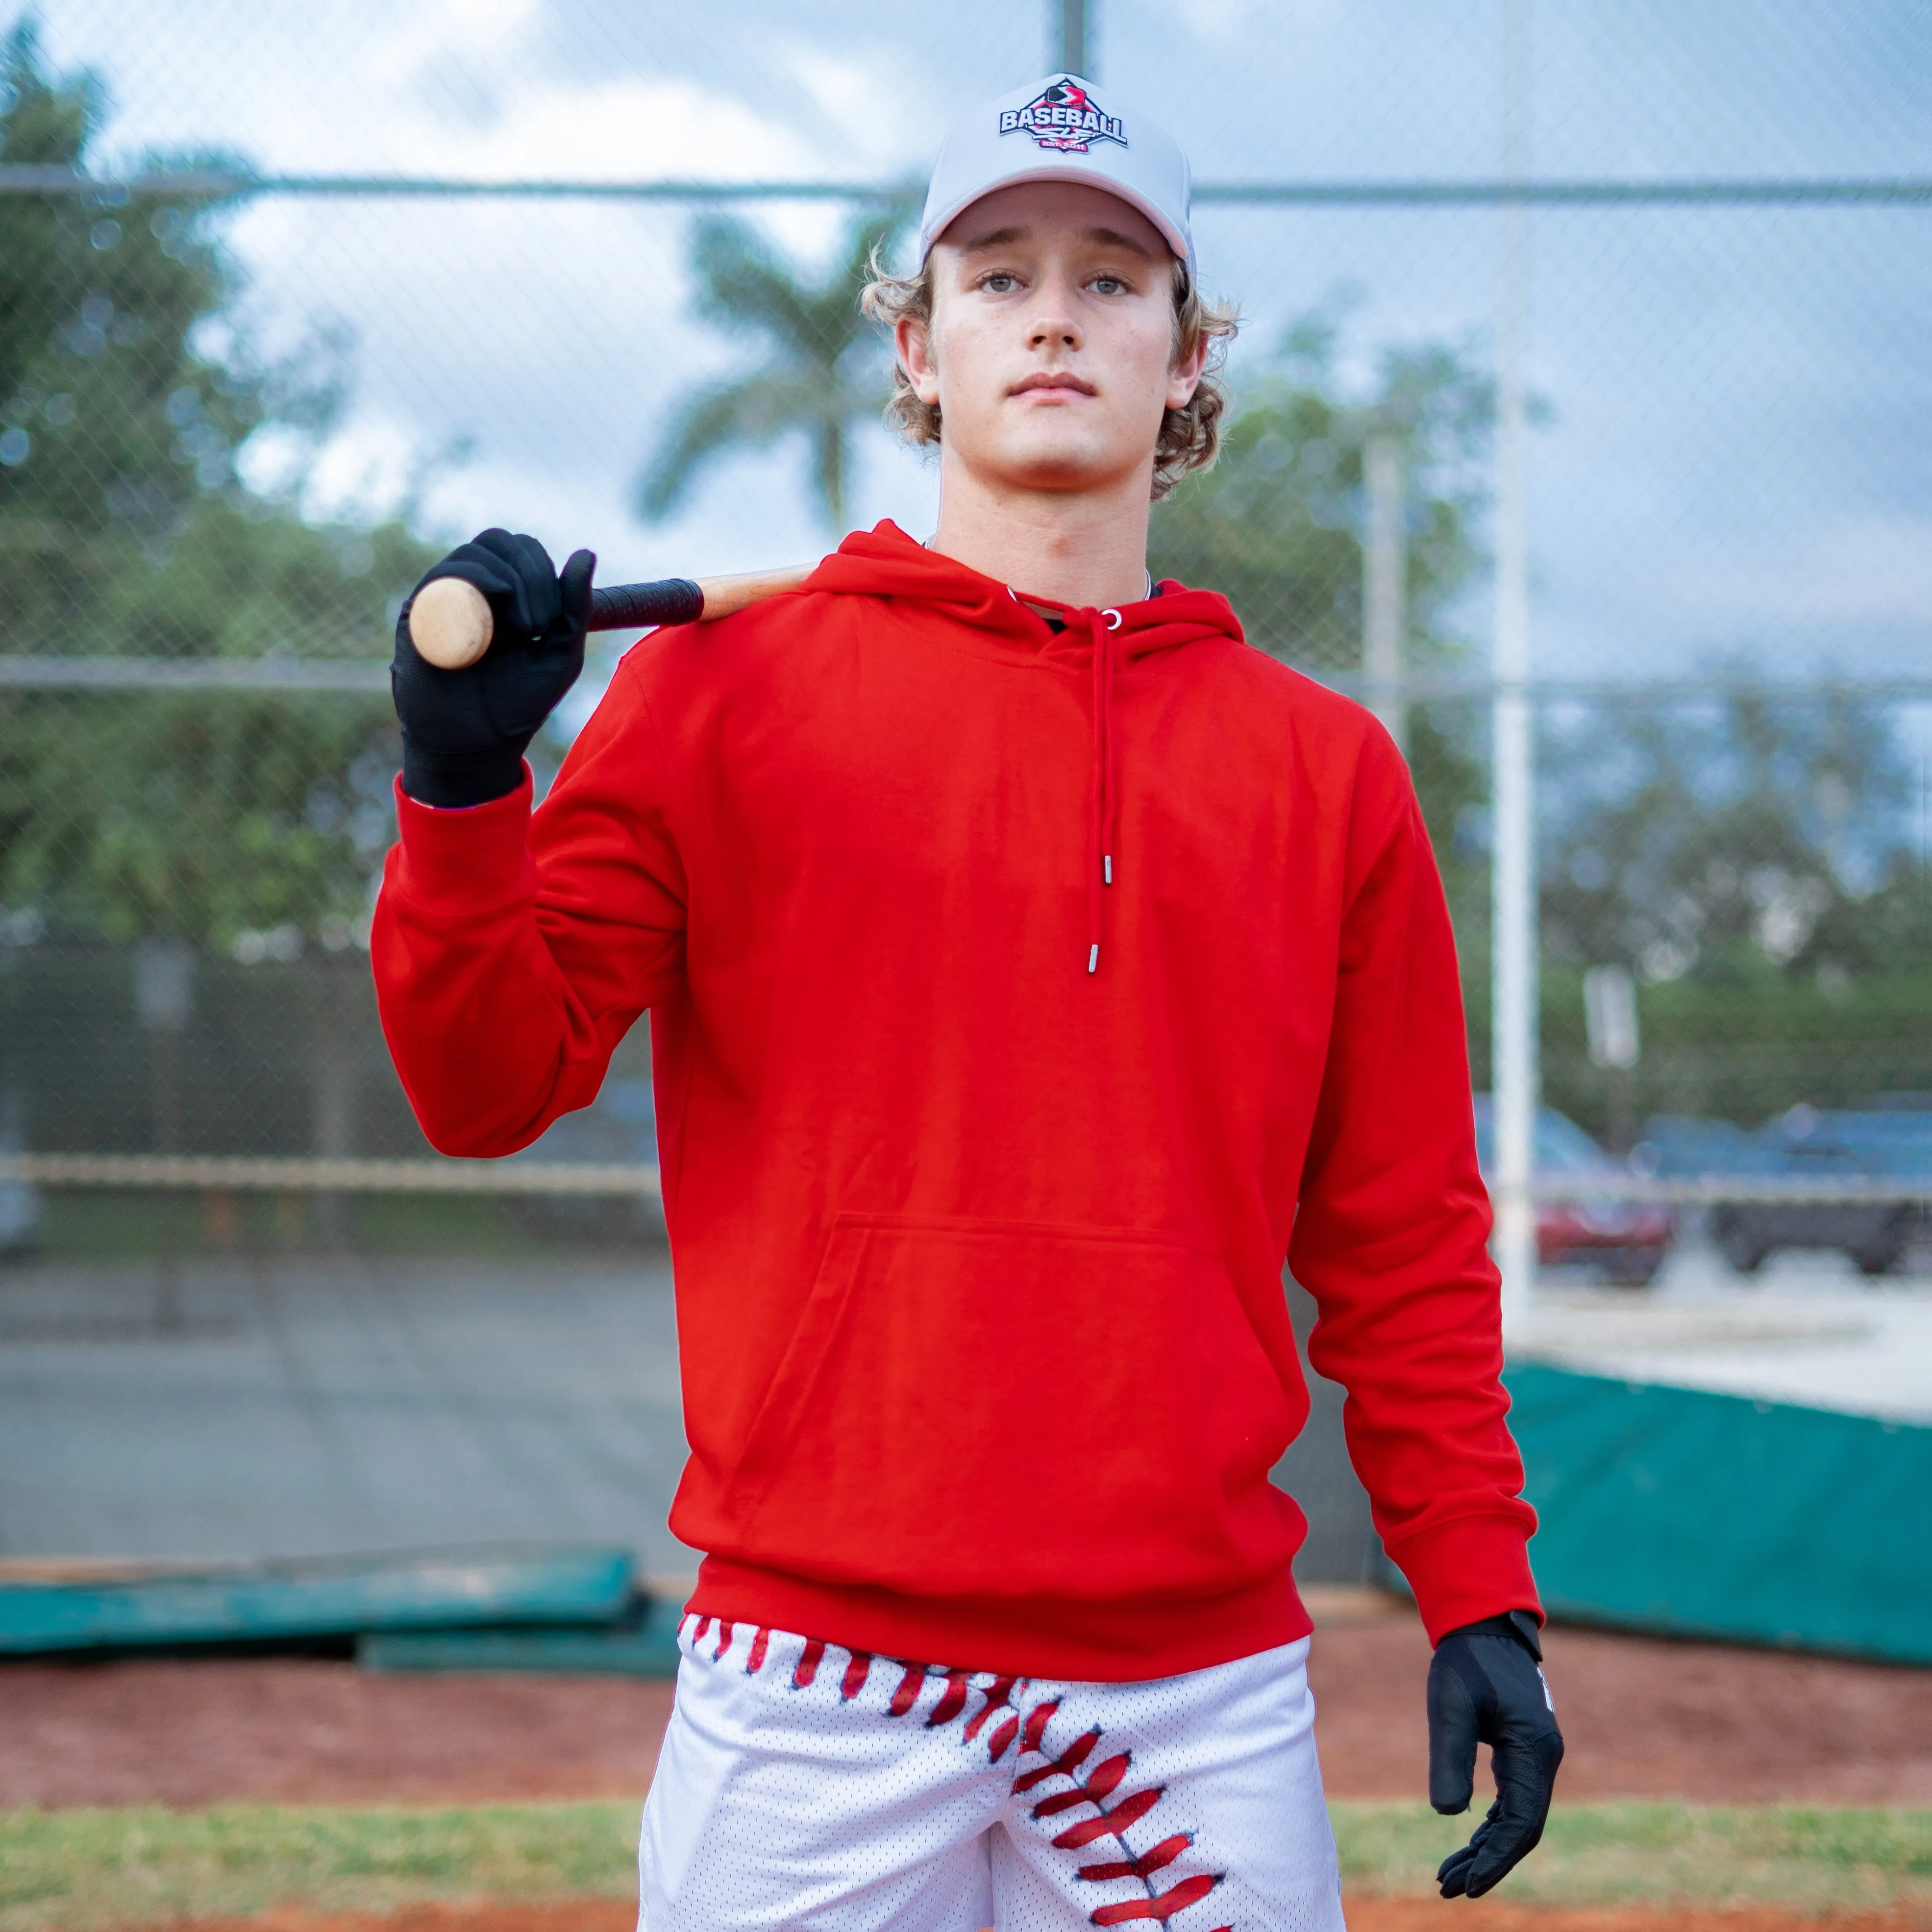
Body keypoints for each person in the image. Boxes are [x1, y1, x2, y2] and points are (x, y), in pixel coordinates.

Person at [373, 70, 1562, 1932]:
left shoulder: (1323, 768)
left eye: (1111, 279)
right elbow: (484, 1082)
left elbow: (1401, 1232)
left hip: (1193, 1687)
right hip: (809, 1673)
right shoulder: (716, 693)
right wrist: (462, 798)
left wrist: (1477, 1581)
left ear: (1187, 359)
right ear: (919, 350)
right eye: (999, 277)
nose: (1056, 316)